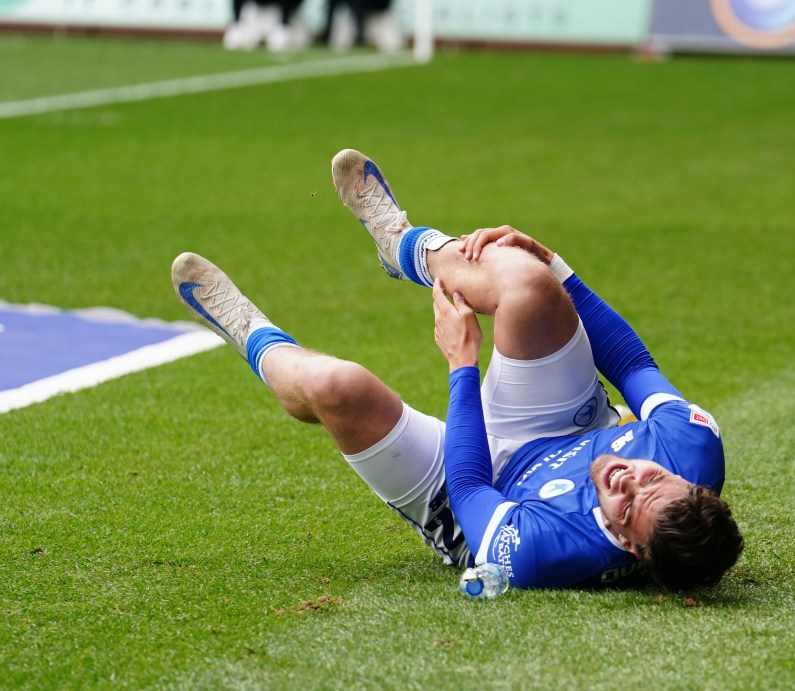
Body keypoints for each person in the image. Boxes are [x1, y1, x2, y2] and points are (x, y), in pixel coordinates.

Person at [171, 149, 743, 590]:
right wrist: (557, 267)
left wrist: (462, 365)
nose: (628, 477)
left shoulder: (543, 552)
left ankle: (252, 335)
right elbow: (631, 361)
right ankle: (404, 245)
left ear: (630, 549)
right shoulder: (693, 446)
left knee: (335, 388)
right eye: (652, 479)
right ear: (687, 482)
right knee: (526, 282)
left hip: (470, 498)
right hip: (570, 425)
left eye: (627, 506)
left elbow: (470, 483)